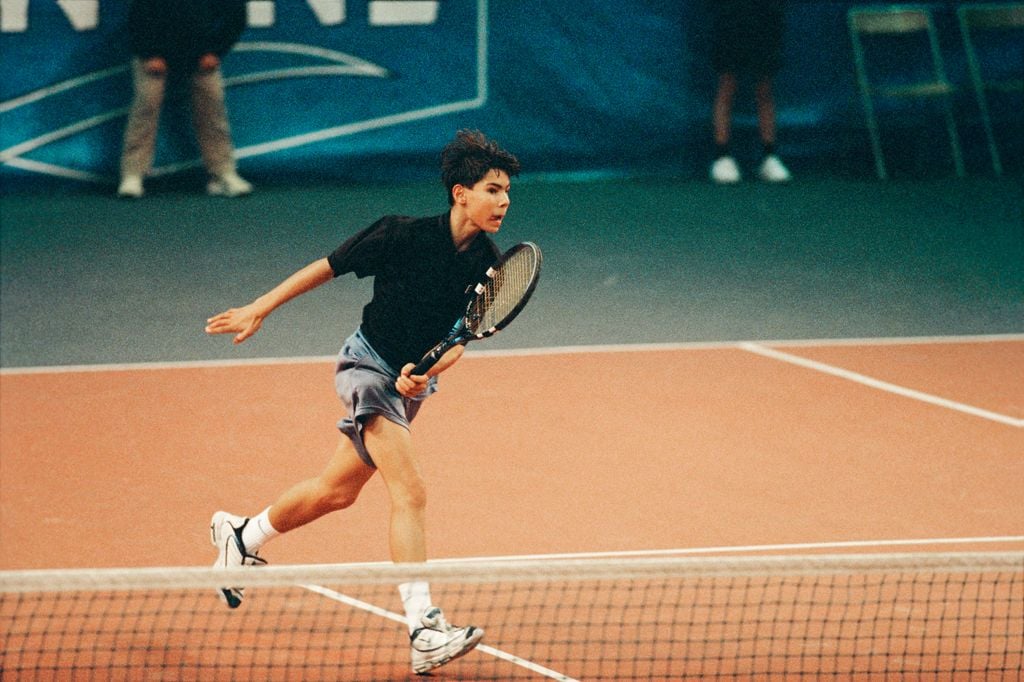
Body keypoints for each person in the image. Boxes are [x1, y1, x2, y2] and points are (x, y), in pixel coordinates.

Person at [204, 130, 520, 674]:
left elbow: (462, 339)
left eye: (508, 192)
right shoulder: (398, 235)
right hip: (366, 367)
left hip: (408, 382)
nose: (505, 201)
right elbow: (324, 268)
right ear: (460, 193)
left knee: (337, 491)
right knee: (411, 490)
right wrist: (261, 306)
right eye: (493, 189)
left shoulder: (489, 266)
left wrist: (425, 375)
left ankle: (242, 533)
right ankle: (423, 626)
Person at [117, 0, 252, 198]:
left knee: (212, 107)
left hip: (201, 54)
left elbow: (236, 15)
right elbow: (137, 15)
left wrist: (216, 51)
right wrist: (148, 53)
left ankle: (223, 174)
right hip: (154, 53)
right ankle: (132, 175)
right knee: (147, 104)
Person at [708, 0, 792, 184]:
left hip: (766, 14)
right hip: (731, 14)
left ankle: (769, 157)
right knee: (727, 84)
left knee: (765, 87)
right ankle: (722, 156)